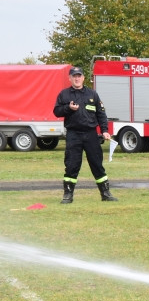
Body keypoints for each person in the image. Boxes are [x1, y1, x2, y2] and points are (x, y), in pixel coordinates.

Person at [53, 66, 117, 204]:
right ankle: (68, 195)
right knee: (71, 165)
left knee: (97, 164)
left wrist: (105, 130)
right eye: (74, 76)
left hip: (91, 134)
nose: (77, 78)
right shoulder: (64, 94)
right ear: (69, 78)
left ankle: (105, 193)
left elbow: (101, 114)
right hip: (73, 134)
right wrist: (68, 108)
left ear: (83, 78)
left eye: (79, 76)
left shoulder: (92, 94)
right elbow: (57, 111)